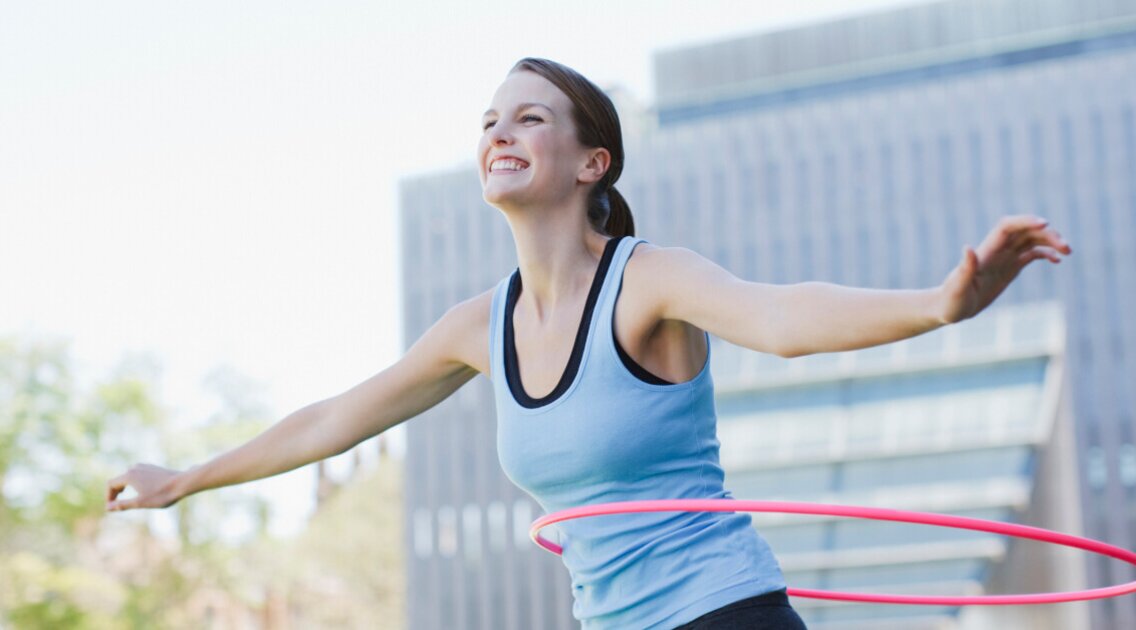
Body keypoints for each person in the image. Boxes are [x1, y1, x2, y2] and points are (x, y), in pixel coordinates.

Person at [106, 57, 1071, 629]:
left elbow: (780, 318)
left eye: (529, 117)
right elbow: (331, 421)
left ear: (590, 162)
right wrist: (186, 478)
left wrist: (942, 305)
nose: (499, 131)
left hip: (721, 612)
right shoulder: (475, 327)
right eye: (488, 121)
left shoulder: (649, 279)